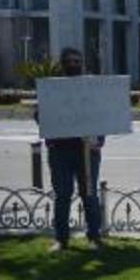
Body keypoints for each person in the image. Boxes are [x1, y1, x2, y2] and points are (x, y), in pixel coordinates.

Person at [37, 47, 104, 253]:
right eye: (69, 61)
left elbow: (102, 114)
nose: (73, 65)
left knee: (89, 195)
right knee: (62, 195)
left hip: (87, 151)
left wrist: (98, 140)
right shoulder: (52, 90)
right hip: (60, 152)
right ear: (62, 64)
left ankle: (94, 237)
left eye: (77, 61)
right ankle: (61, 239)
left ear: (82, 64)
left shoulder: (90, 88)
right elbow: (40, 115)